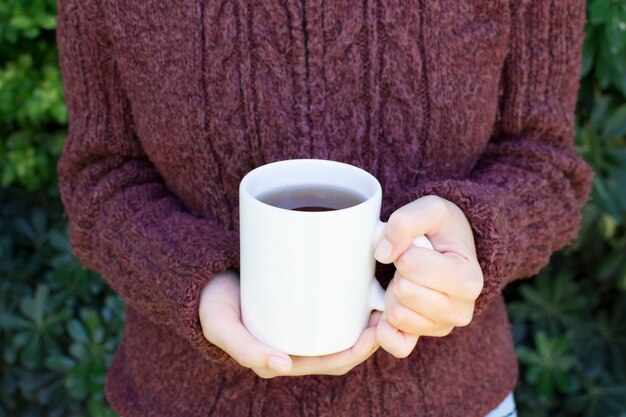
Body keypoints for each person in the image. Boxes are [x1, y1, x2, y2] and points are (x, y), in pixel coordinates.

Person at [55, 0, 593, 416]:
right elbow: (102, 172)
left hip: (450, 400)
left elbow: (542, 159)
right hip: (183, 398)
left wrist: (476, 236)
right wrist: (192, 282)